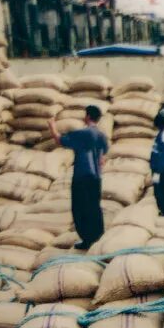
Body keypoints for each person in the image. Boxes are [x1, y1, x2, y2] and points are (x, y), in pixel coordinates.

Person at [48, 104, 107, 249]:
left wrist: (52, 125)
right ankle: (98, 236)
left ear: (87, 116)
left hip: (82, 176)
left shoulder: (83, 134)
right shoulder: (102, 135)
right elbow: (102, 157)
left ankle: (87, 240)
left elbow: (59, 140)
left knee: (80, 208)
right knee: (94, 206)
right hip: (96, 177)